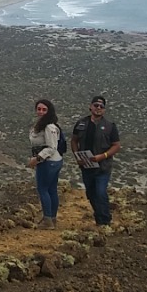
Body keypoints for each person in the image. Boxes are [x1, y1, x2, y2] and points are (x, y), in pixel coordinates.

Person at [71, 95, 121, 225]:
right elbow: (74, 140)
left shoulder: (110, 126)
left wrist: (102, 156)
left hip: (103, 166)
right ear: (90, 106)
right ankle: (99, 216)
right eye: (96, 105)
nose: (98, 108)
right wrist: (77, 155)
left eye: (101, 106)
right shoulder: (81, 123)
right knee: (91, 193)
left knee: (100, 192)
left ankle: (105, 221)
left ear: (104, 110)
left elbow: (116, 145)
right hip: (86, 166)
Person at [26, 99, 64, 229]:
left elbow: (51, 147)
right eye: (39, 109)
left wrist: (36, 159)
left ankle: (48, 219)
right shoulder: (41, 124)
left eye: (44, 109)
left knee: (43, 189)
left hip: (48, 162)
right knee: (52, 189)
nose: (41, 112)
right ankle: (52, 218)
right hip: (52, 161)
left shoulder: (49, 127)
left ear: (49, 111)